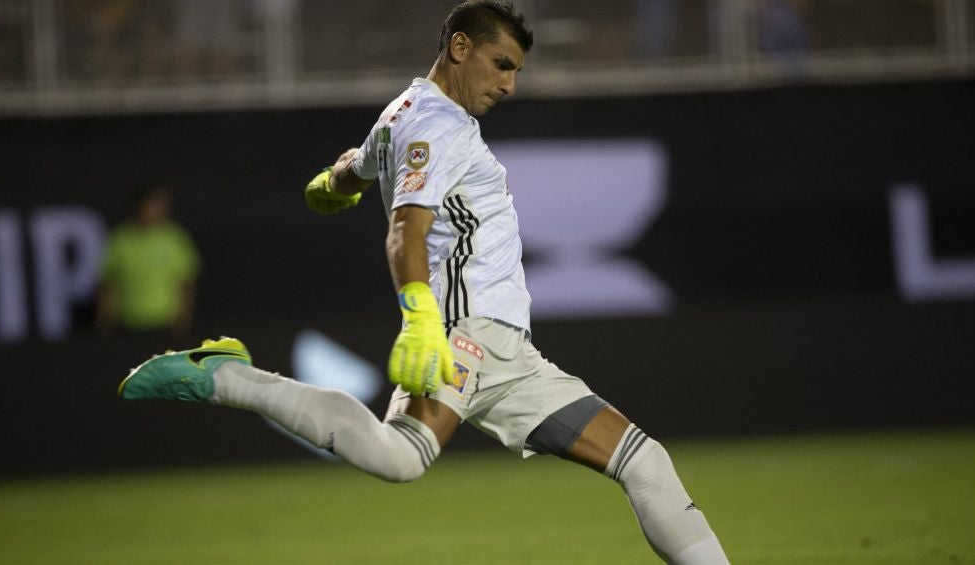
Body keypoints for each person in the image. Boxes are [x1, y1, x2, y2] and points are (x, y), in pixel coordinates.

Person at [118, 2, 729, 563]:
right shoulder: (442, 127)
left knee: (642, 460)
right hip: (467, 332)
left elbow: (356, 167)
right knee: (401, 457)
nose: (510, 84)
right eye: (501, 65)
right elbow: (406, 230)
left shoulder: (404, 114)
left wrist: (332, 187)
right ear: (459, 47)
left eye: (515, 70)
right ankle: (228, 377)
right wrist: (419, 319)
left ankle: (230, 376)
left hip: (510, 354)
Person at [97, 183, 200, 338]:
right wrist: (106, 323)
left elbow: (186, 284)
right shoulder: (120, 239)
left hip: (165, 328)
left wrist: (182, 324)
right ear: (138, 206)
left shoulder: (174, 238)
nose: (155, 210)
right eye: (151, 204)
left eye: (160, 205)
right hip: (127, 327)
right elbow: (109, 285)